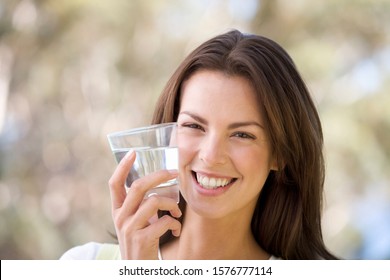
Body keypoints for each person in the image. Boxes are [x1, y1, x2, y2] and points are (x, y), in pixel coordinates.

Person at [61, 29, 338, 260]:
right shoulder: (82, 263)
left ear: (280, 154)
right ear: (169, 133)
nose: (211, 155)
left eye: (242, 134)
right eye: (194, 126)